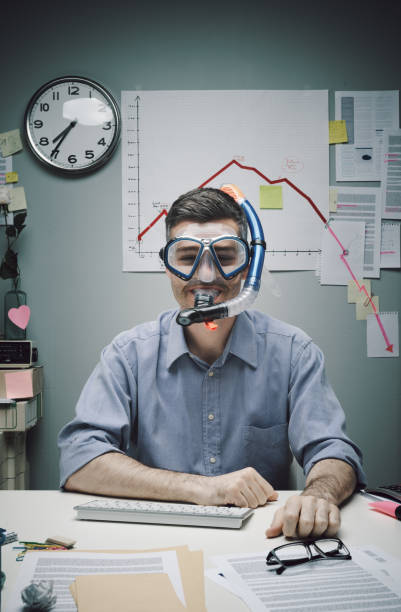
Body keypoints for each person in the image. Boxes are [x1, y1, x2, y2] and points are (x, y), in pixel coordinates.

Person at [58, 187, 366, 539]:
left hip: (263, 541)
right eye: (188, 257)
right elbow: (79, 458)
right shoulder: (128, 355)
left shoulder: (294, 353)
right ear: (168, 267)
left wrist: (318, 495)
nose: (206, 276)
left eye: (224, 255)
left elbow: (333, 450)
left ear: (248, 264)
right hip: (155, 537)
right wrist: (202, 489)